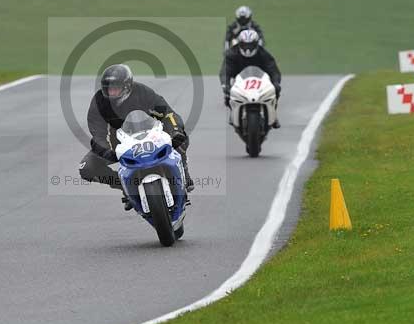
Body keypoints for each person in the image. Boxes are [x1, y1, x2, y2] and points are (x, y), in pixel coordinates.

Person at [78, 64, 194, 210]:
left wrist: (175, 130)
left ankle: (184, 170)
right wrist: (106, 149)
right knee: (86, 168)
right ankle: (126, 188)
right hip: (118, 142)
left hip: (151, 134)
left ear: (127, 86)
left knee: (181, 136)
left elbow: (168, 114)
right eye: (108, 88)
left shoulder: (142, 92)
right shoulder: (99, 101)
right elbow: (97, 131)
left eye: (115, 88)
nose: (111, 92)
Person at [220, 29, 282, 129]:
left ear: (256, 44)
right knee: (228, 96)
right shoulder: (232, 54)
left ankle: (273, 114)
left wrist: (276, 82)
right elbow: (225, 72)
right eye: (245, 45)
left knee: (276, 90)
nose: (248, 49)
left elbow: (273, 69)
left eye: (251, 45)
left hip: (260, 80)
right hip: (240, 82)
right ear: (240, 44)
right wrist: (225, 84)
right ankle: (233, 114)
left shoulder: (263, 53)